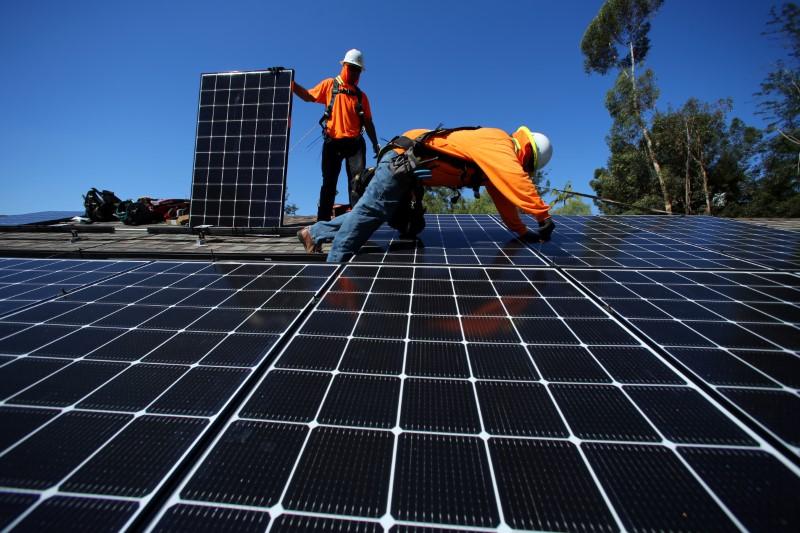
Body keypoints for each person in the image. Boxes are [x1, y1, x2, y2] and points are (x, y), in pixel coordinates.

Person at [297, 126, 555, 262]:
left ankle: (314, 232)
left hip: (408, 170)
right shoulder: (500, 142)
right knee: (371, 211)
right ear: (526, 151)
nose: (525, 169)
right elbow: (514, 178)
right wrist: (542, 215)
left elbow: (504, 196)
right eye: (529, 164)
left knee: (379, 212)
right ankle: (334, 267)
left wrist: (522, 231)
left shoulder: (495, 164)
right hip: (402, 159)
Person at [292, 49, 380, 221]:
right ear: (344, 66)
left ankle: (356, 225)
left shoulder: (361, 96)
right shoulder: (330, 85)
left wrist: (375, 144)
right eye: (352, 68)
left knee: (357, 185)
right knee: (329, 185)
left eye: (358, 70)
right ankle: (322, 226)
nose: (354, 73)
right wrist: (290, 83)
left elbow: (368, 122)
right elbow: (308, 96)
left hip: (355, 145)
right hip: (333, 144)